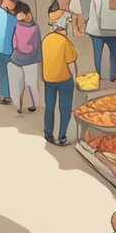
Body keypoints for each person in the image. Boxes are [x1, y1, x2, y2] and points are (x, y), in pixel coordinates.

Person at [41, 17, 78, 147]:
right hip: (63, 80)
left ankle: (48, 133)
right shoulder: (64, 42)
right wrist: (74, 79)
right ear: (62, 29)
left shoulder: (45, 40)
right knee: (65, 108)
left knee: (49, 107)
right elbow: (71, 64)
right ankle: (61, 136)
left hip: (48, 79)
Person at [8, 3, 41, 114]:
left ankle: (19, 105)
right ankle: (32, 104)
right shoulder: (35, 27)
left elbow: (14, 43)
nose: (25, 16)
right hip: (30, 59)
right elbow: (35, 45)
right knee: (30, 83)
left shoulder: (17, 26)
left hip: (18, 58)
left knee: (19, 83)